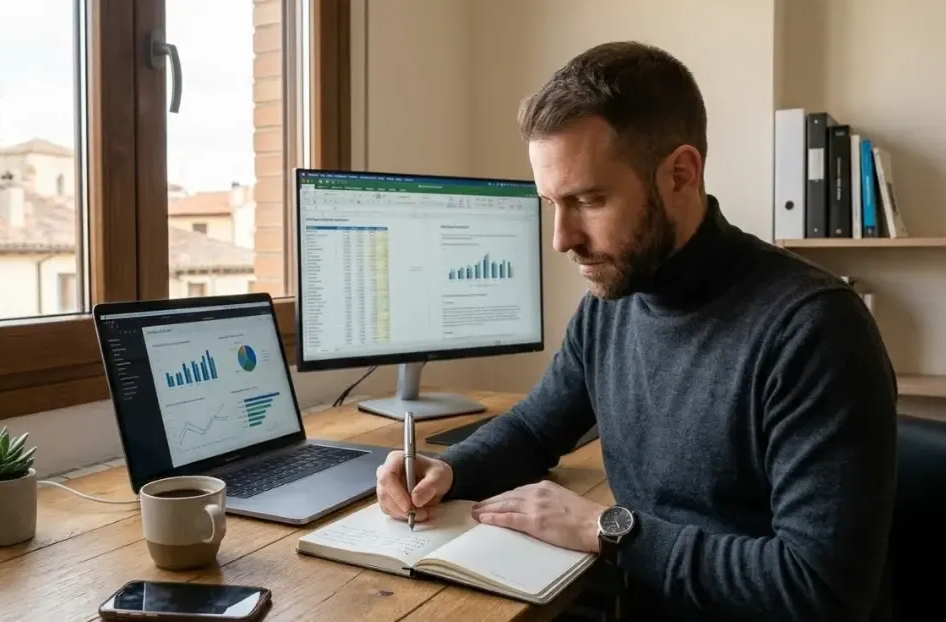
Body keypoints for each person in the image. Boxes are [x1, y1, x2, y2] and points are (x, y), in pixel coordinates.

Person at [374, 41, 897, 621]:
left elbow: (817, 590)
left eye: (589, 200)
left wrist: (606, 528)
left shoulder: (813, 329)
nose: (561, 239)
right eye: (551, 203)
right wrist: (449, 469)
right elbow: (534, 426)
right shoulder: (613, 301)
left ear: (681, 173)